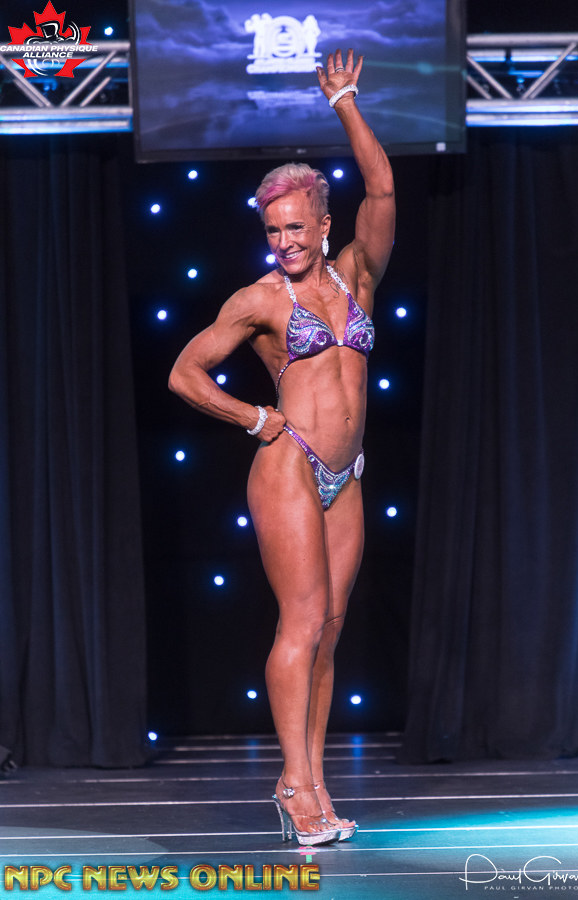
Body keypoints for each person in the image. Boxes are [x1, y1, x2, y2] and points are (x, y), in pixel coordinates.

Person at [168, 48, 395, 845]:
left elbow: (383, 190)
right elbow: (184, 372)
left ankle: (317, 785)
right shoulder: (261, 299)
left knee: (330, 628)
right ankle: (294, 786)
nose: (285, 241)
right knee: (300, 624)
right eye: (273, 230)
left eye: (297, 227)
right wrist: (254, 419)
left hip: (347, 473)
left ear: (325, 225)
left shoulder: (358, 276)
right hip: (289, 464)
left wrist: (347, 102)